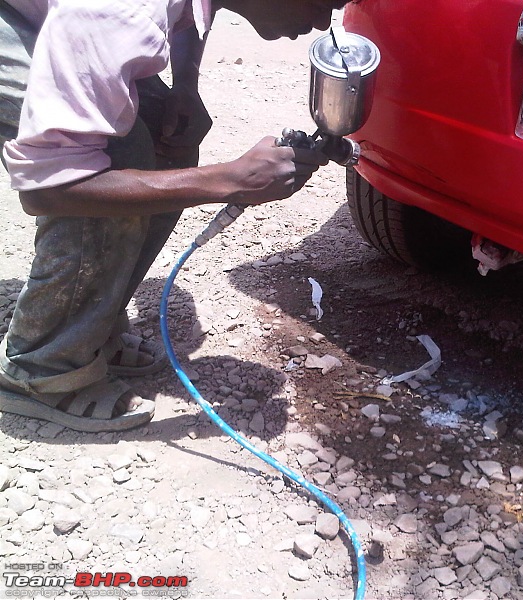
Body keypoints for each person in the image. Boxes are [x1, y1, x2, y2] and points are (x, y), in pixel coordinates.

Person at [0, 0, 348, 432]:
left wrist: (185, 84)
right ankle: (41, 369)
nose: (320, 21)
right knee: (107, 158)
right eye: (321, 2)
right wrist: (229, 181)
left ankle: (89, 330)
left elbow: (191, 14)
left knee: (166, 132)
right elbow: (49, 189)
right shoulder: (119, 12)